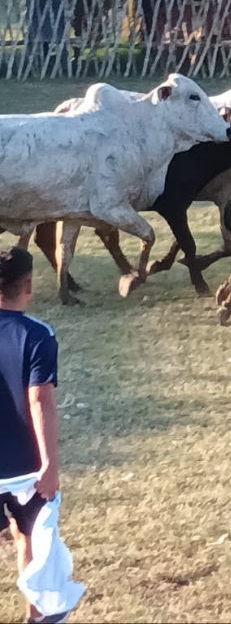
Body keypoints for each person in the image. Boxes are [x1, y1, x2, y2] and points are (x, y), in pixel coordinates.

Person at [0, 246, 69, 624]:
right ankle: (35, 616)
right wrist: (49, 466)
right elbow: (40, 401)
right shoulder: (38, 335)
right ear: (27, 284)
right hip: (26, 470)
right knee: (30, 539)